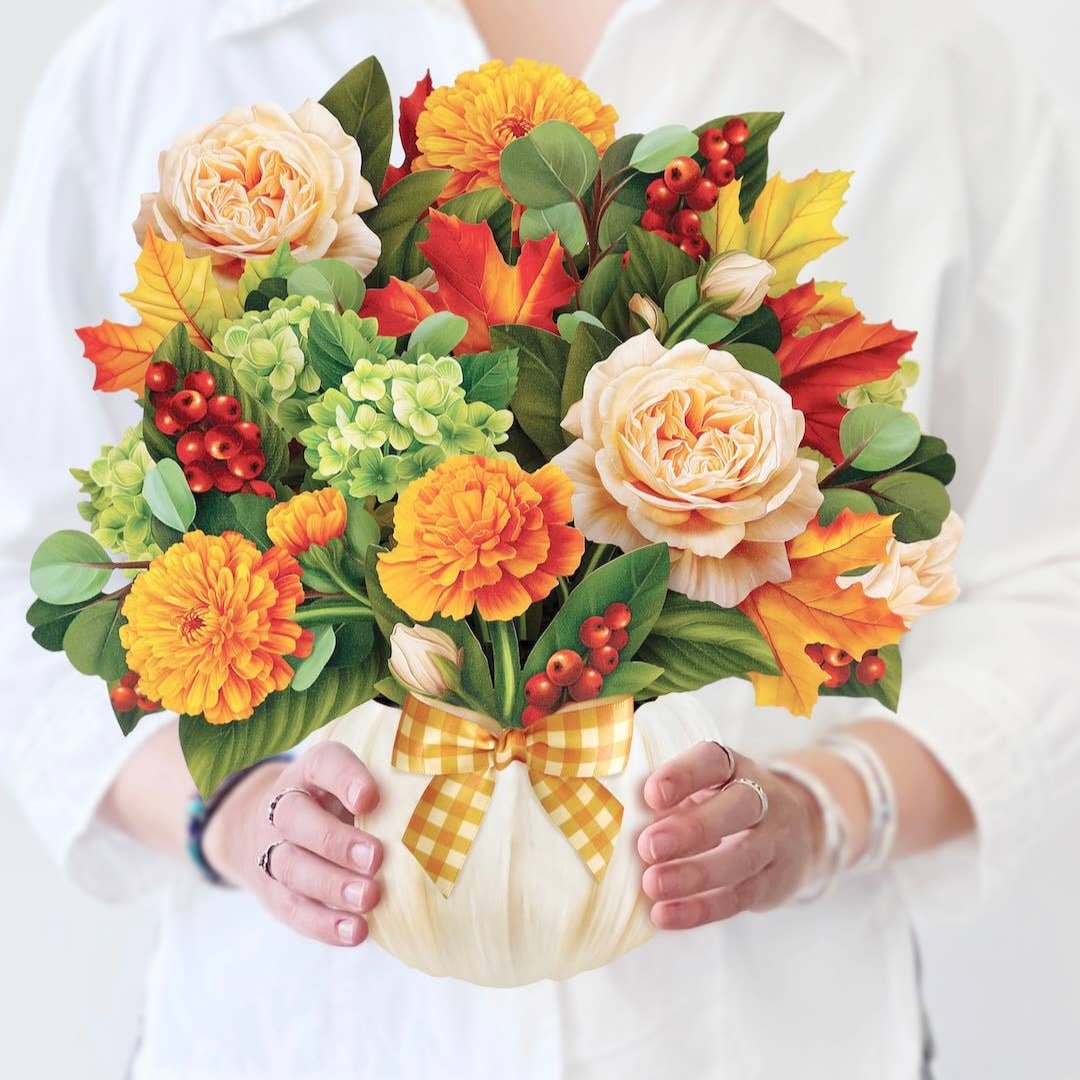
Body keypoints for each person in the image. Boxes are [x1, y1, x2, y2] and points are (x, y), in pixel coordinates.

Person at [1, 0, 1076, 1077]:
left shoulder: (935, 65)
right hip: (296, 1037)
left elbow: (1051, 573)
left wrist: (832, 811)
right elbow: (26, 565)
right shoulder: (154, 51)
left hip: (774, 1037)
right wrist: (226, 813)